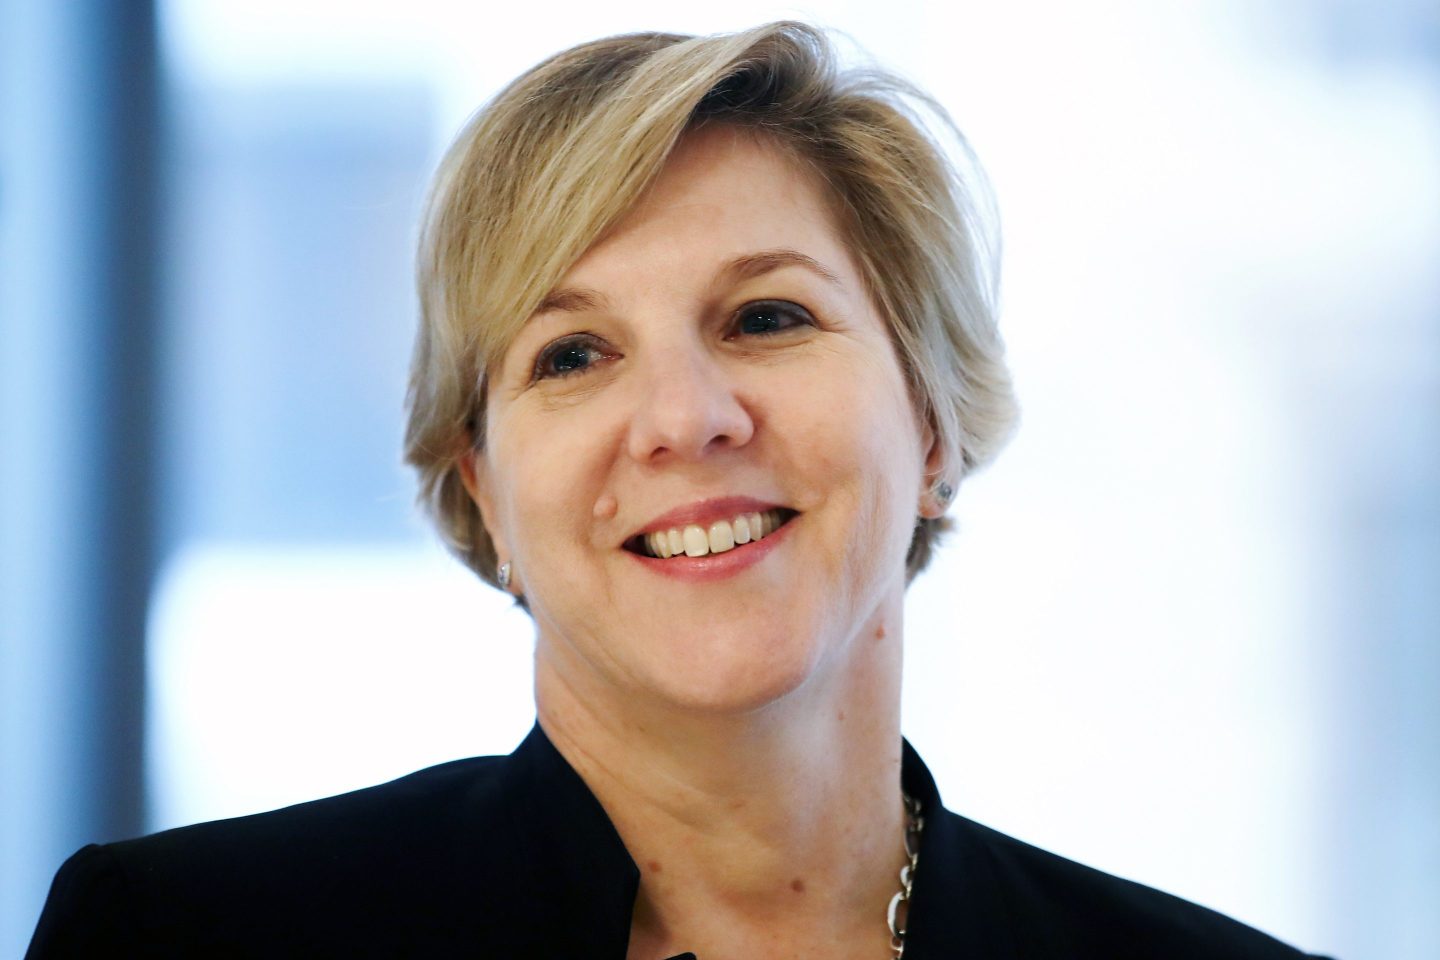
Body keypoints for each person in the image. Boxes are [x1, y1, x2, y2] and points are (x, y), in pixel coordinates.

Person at [28, 22, 1333, 959]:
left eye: (767, 316)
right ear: (483, 491)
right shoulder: (185, 940)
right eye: (572, 354)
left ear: (931, 425)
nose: (684, 420)